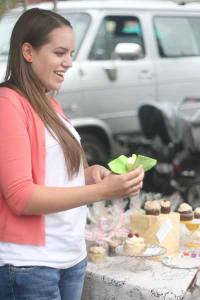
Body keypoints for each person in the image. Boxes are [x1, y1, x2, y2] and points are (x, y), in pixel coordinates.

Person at [0, 8, 144, 300]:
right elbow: (21, 196)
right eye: (60, 52)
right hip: (31, 266)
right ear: (28, 51)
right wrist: (101, 191)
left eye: (71, 53)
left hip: (71, 257)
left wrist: (91, 175)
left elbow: (57, 174)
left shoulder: (50, 105)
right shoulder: (8, 104)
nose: (68, 62)